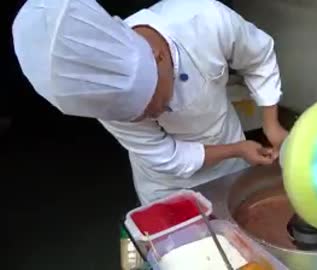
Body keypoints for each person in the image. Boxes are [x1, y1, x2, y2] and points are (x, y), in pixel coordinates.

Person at [12, 0, 288, 204]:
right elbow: (168, 156)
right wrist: (237, 148)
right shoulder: (101, 90)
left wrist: (271, 126)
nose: (152, 115)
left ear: (156, 55)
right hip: (164, 186)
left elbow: (259, 57)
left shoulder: (204, 19)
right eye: (134, 116)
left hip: (230, 165)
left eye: (151, 101)